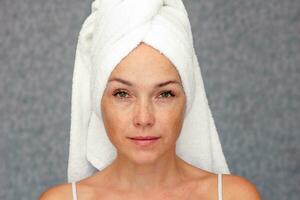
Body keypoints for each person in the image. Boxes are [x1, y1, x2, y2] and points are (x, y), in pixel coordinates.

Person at [39, 0, 262, 199]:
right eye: (122, 94)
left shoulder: (235, 196)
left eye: (165, 94)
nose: (144, 118)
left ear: (188, 100)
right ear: (99, 101)